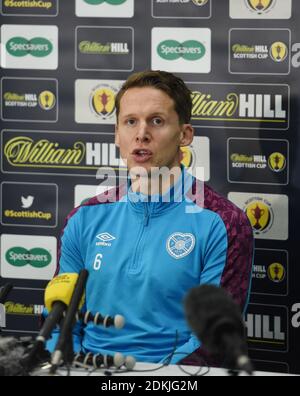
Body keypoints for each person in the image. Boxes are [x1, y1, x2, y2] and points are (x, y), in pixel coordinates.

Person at [46, 70, 254, 365]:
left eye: (156, 121)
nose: (141, 133)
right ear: (117, 134)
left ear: (185, 134)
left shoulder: (224, 222)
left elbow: (213, 340)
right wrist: (78, 367)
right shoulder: (84, 218)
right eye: (130, 121)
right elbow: (59, 319)